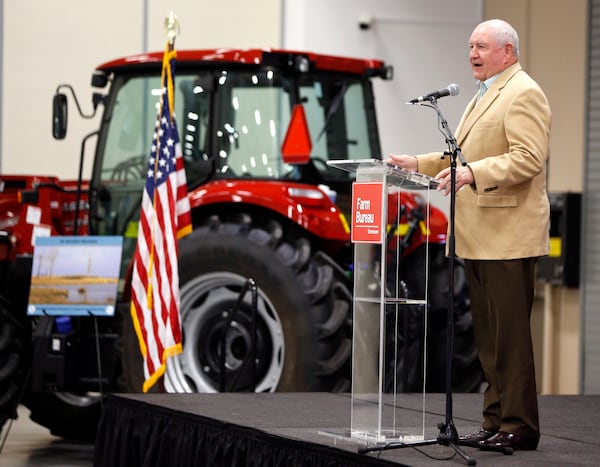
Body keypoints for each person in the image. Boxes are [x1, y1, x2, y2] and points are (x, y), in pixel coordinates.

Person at [388, 19, 551, 452]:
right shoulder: (484, 95)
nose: (472, 53)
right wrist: (415, 163)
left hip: (509, 235)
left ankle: (520, 425)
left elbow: (528, 159)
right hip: (481, 236)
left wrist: (473, 173)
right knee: (488, 339)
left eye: (481, 46)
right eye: (470, 45)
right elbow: (458, 156)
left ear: (508, 52)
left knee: (509, 338)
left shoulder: (523, 92)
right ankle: (496, 419)